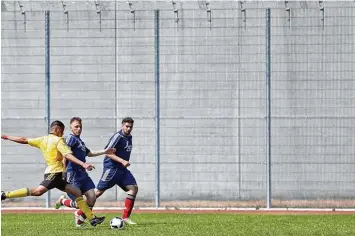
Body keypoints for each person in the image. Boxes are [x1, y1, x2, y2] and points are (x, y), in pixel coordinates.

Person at [1, 120, 105, 227]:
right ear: (57, 129)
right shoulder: (59, 140)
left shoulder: (42, 139)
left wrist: (8, 137)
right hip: (54, 174)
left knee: (77, 192)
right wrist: (83, 164)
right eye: (62, 131)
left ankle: (91, 218)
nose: (63, 133)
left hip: (58, 176)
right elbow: (68, 155)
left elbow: (23, 140)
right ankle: (5, 195)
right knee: (38, 191)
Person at [54, 117, 115, 227]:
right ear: (71, 127)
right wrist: (63, 172)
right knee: (79, 204)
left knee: (92, 197)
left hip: (83, 174)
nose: (79, 128)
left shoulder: (80, 141)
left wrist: (104, 151)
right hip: (72, 175)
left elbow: (90, 153)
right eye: (76, 126)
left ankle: (79, 220)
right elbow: (65, 155)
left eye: (80, 126)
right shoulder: (70, 139)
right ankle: (62, 201)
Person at [75, 117, 138, 225]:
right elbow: (108, 152)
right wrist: (122, 160)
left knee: (133, 188)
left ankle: (125, 218)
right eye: (126, 126)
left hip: (122, 170)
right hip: (112, 169)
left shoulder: (129, 137)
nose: (128, 129)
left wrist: (123, 163)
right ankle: (80, 213)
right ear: (122, 126)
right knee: (96, 194)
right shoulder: (118, 136)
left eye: (130, 127)